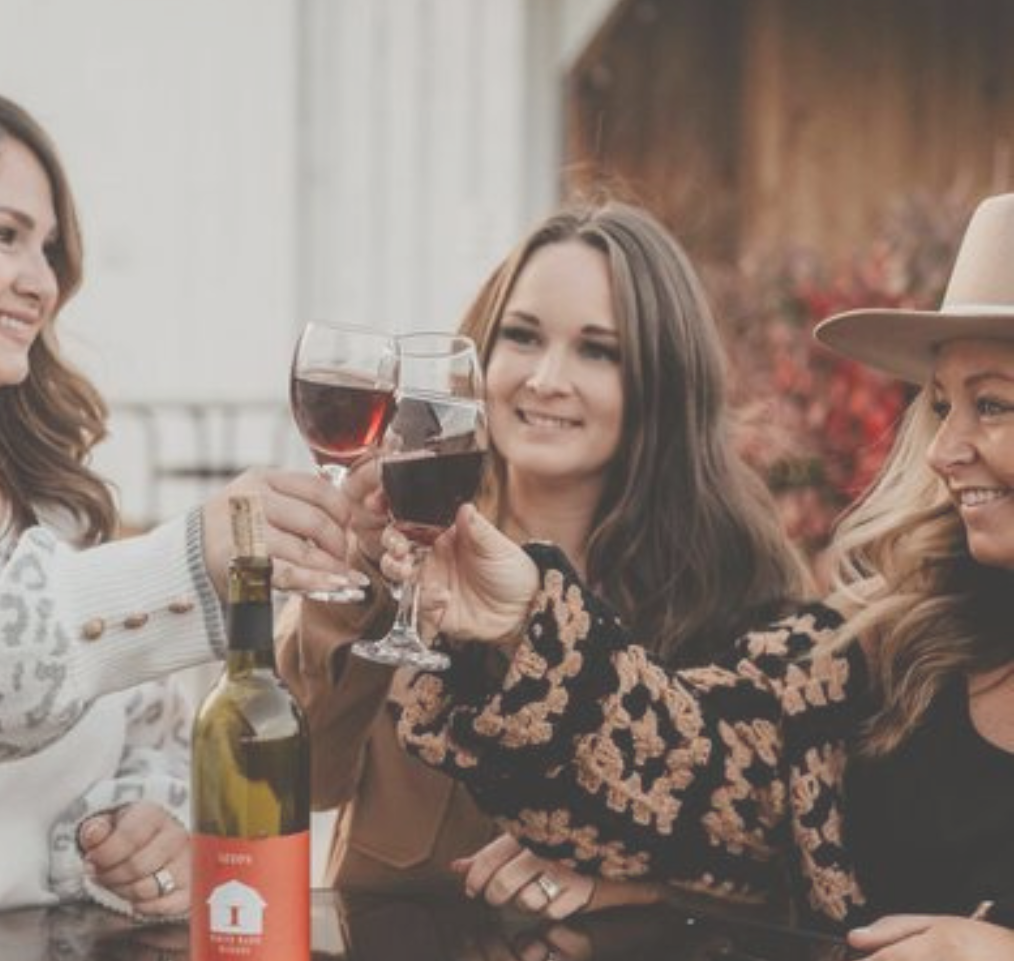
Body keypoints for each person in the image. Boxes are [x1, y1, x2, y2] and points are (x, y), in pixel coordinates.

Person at [386, 192, 1014, 961]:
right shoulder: (875, 651)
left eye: (994, 405)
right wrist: (524, 618)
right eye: (942, 405)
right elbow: (687, 756)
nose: (945, 449)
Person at [276, 199, 807, 899]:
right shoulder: (405, 551)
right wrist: (357, 585)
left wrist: (620, 887)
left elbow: (771, 854)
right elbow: (298, 781)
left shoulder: (740, 586)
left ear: (663, 380)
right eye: (523, 337)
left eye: (598, 350)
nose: (546, 378)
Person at [0, 81, 360, 922]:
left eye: (49, 249)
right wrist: (187, 558)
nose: (41, 282)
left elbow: (147, 737)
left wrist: (133, 827)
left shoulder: (48, 510)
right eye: (3, 235)